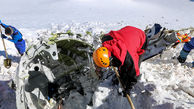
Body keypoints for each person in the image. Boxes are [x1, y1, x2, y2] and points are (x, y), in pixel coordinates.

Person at [93, 24, 191, 95]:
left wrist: (128, 87)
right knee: (121, 63)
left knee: (135, 60)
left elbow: (134, 72)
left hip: (141, 37)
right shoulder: (106, 40)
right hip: (128, 31)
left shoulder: (129, 58)